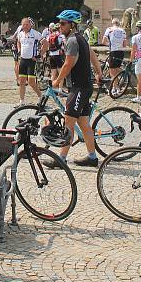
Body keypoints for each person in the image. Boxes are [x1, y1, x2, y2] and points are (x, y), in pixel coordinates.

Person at [45, 9, 102, 167]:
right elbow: (93, 55)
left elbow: (68, 63)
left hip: (78, 88)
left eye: (63, 23)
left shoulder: (72, 40)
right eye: (59, 23)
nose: (59, 26)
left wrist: (57, 81)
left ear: (72, 25)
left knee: (68, 123)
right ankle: (92, 157)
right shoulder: (81, 38)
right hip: (84, 87)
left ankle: (61, 159)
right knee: (84, 124)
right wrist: (98, 72)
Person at [16, 17, 44, 106]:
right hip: (23, 60)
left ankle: (40, 96)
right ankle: (21, 101)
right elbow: (18, 42)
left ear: (30, 25)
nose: (25, 26)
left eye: (27, 24)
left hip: (32, 61)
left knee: (31, 82)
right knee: (22, 82)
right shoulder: (20, 34)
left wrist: (39, 55)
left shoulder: (36, 34)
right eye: (23, 24)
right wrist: (19, 50)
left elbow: (46, 43)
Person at [102, 18, 127, 95]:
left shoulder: (109, 29)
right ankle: (117, 88)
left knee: (112, 71)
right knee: (115, 71)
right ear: (119, 23)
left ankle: (114, 89)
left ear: (112, 23)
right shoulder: (123, 31)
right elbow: (125, 44)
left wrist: (109, 44)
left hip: (113, 51)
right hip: (121, 52)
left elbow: (103, 41)